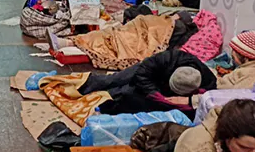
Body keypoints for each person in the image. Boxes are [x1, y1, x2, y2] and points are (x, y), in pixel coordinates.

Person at [76, 48, 217, 117]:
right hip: (149, 73)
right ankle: (81, 85)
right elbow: (142, 74)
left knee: (122, 94)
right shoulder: (168, 58)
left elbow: (211, 99)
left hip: (161, 86)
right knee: (114, 80)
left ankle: (103, 100)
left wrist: (189, 100)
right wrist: (154, 93)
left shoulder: (207, 79)